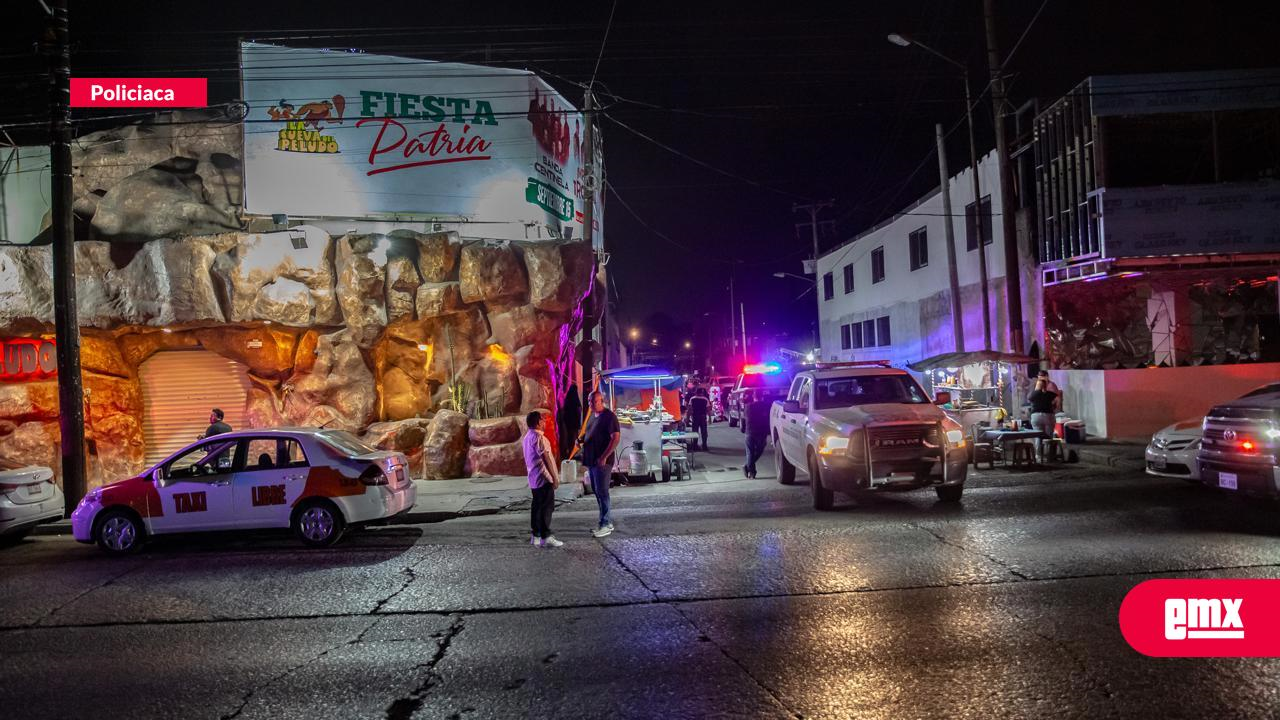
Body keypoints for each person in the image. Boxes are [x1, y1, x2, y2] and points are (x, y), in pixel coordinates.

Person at [581, 390, 621, 537]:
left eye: (594, 401)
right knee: (597, 491)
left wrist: (604, 456)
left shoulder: (609, 417)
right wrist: (580, 440)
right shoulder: (592, 416)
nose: (591, 404)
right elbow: (590, 434)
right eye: (589, 401)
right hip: (591, 460)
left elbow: (615, 438)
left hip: (602, 461)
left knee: (602, 491)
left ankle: (605, 523)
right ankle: (605, 521)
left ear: (601, 401)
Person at [522, 411, 563, 548]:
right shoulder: (540, 438)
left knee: (537, 507)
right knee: (547, 508)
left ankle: (536, 535)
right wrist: (554, 478)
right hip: (544, 478)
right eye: (543, 420)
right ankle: (546, 536)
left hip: (533, 478)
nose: (545, 422)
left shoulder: (527, 437)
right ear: (538, 422)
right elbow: (546, 459)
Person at [1028, 379, 1059, 461]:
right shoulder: (1050, 394)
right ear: (1045, 386)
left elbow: (1030, 398)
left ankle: (1038, 456)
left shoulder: (1033, 394)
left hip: (1036, 416)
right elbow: (1056, 397)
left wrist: (1037, 388)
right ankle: (1049, 456)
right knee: (1049, 436)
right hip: (1048, 415)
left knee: (1038, 436)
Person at [743, 395, 772, 478]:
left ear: (754, 397)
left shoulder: (748, 406)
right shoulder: (765, 406)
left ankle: (750, 470)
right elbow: (767, 419)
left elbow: (744, 418)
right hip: (760, 433)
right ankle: (749, 468)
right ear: (761, 397)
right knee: (759, 451)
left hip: (749, 432)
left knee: (750, 453)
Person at [685, 382, 711, 451]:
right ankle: (704, 445)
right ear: (702, 393)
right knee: (704, 431)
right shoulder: (705, 399)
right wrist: (710, 419)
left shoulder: (692, 399)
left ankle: (695, 445)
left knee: (695, 431)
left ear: (696, 392)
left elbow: (689, 409)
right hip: (703, 417)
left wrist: (687, 419)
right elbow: (708, 410)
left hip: (695, 417)